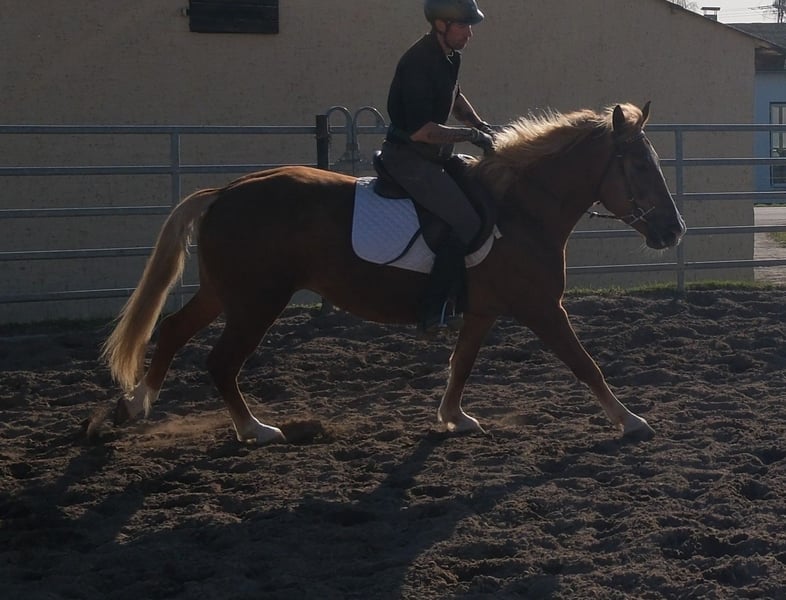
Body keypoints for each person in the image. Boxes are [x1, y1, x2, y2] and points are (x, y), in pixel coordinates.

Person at [381, 0, 497, 336]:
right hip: (408, 158)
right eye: (463, 26)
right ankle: (435, 308)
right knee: (466, 220)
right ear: (441, 25)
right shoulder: (418, 62)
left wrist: (481, 125)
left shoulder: (449, 56)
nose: (469, 34)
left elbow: (454, 97)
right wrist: (472, 136)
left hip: (434, 156)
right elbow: (422, 131)